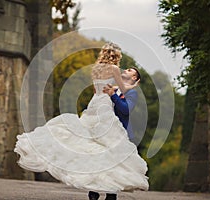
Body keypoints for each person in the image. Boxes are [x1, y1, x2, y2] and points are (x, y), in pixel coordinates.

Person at [14, 42, 149, 200]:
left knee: (88, 142)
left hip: (93, 103)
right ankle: (106, 188)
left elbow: (94, 89)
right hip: (104, 105)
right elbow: (122, 89)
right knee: (110, 145)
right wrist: (129, 86)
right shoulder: (114, 69)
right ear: (116, 56)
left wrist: (104, 90)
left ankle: (94, 190)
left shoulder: (96, 68)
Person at [88, 67, 141, 200]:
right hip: (103, 132)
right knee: (98, 162)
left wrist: (113, 95)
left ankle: (110, 195)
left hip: (119, 135)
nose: (125, 70)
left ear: (134, 77)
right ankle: (94, 192)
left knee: (113, 166)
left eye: (130, 70)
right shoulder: (113, 86)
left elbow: (125, 109)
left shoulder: (132, 93)